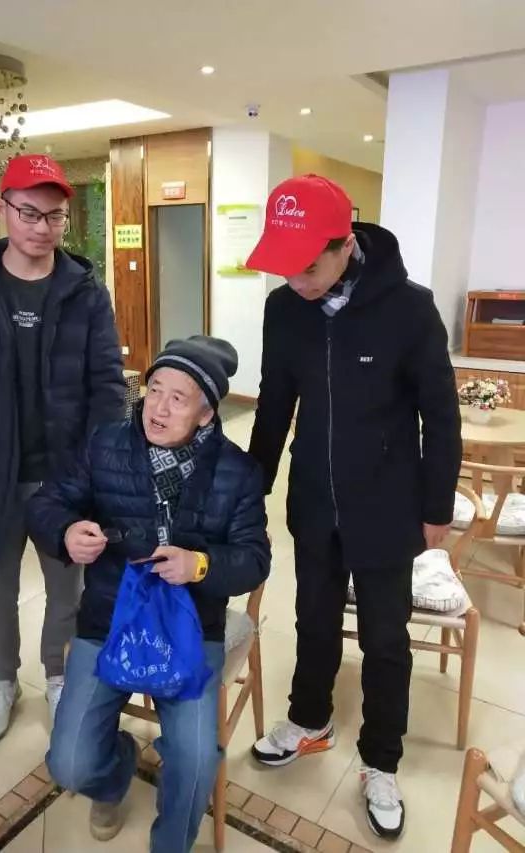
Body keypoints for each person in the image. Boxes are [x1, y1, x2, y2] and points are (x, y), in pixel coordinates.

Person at [246, 175, 462, 840]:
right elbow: (273, 401)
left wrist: (437, 505)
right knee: (312, 618)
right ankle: (310, 719)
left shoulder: (409, 308)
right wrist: (250, 489)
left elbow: (441, 414)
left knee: (385, 640)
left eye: (308, 267)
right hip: (314, 497)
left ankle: (382, 760)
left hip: (388, 506)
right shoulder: (285, 309)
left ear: (345, 246)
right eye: (285, 268)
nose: (296, 281)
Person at [27, 336, 270, 853]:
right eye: (154, 389)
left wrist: (199, 565)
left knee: (197, 760)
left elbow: (254, 559)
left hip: (190, 627)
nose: (157, 408)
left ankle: (171, 844)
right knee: (69, 765)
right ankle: (114, 772)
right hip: (108, 617)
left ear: (207, 413)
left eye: (178, 398)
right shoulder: (105, 444)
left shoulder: (239, 472)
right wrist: (66, 532)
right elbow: (48, 503)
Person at [0, 154, 125, 745]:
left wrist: (95, 472)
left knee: (68, 588)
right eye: (30, 213)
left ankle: (58, 676)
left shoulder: (85, 291)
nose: (42, 227)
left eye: (55, 216)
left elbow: (107, 387)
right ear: (3, 209)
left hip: (66, 476)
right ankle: (3, 681)